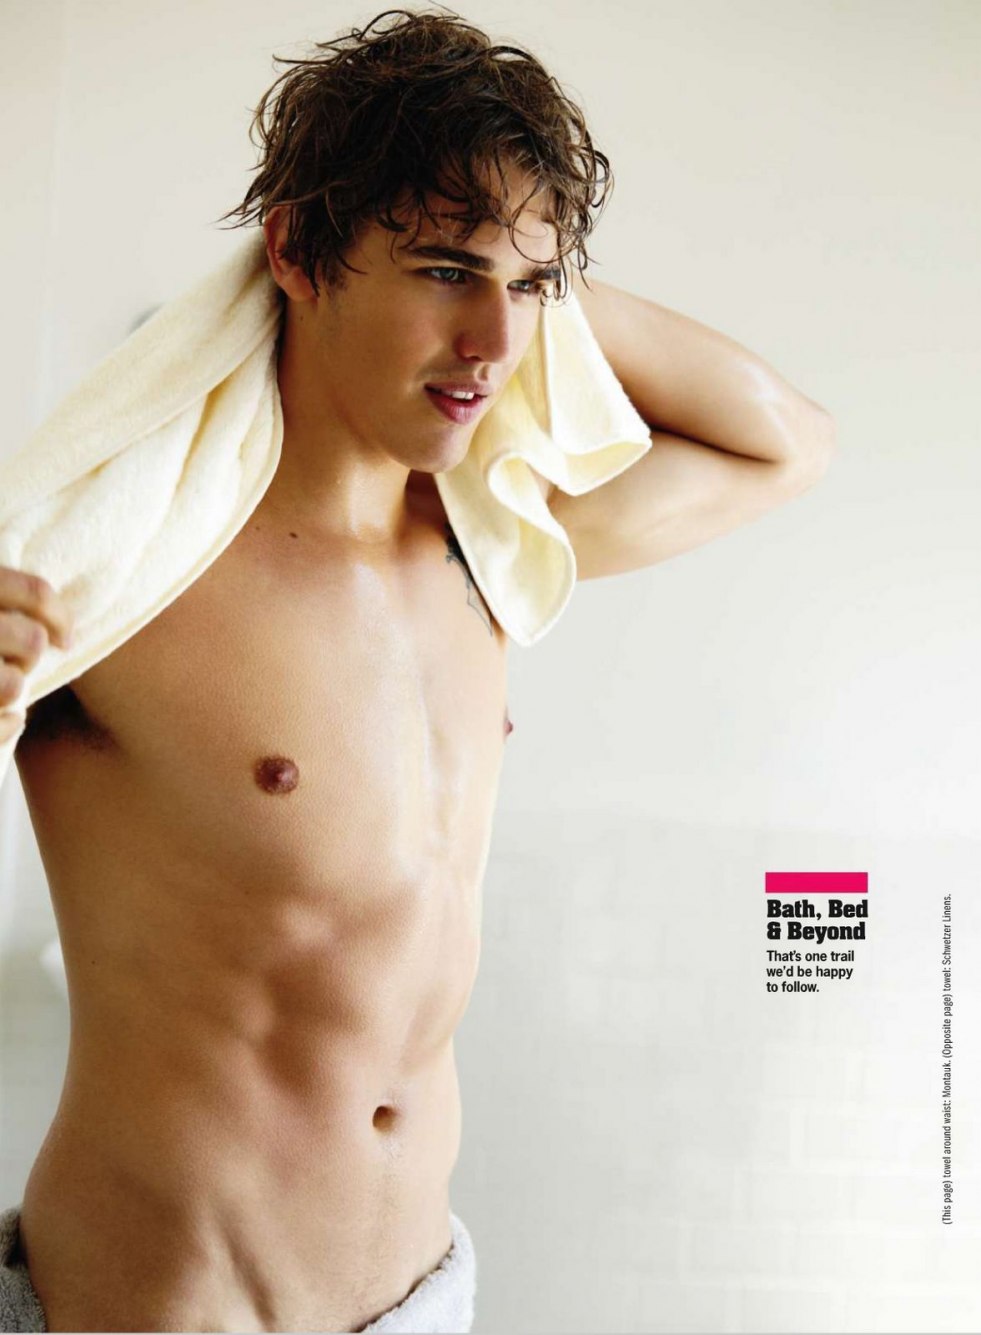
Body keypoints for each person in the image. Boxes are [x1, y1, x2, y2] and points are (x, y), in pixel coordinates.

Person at [0, 7, 835, 1332]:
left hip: (423, 1296)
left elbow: (785, 444)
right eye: (445, 270)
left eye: (530, 290)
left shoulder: (487, 549)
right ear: (295, 251)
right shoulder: (121, 575)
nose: (495, 343)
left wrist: (522, 249)